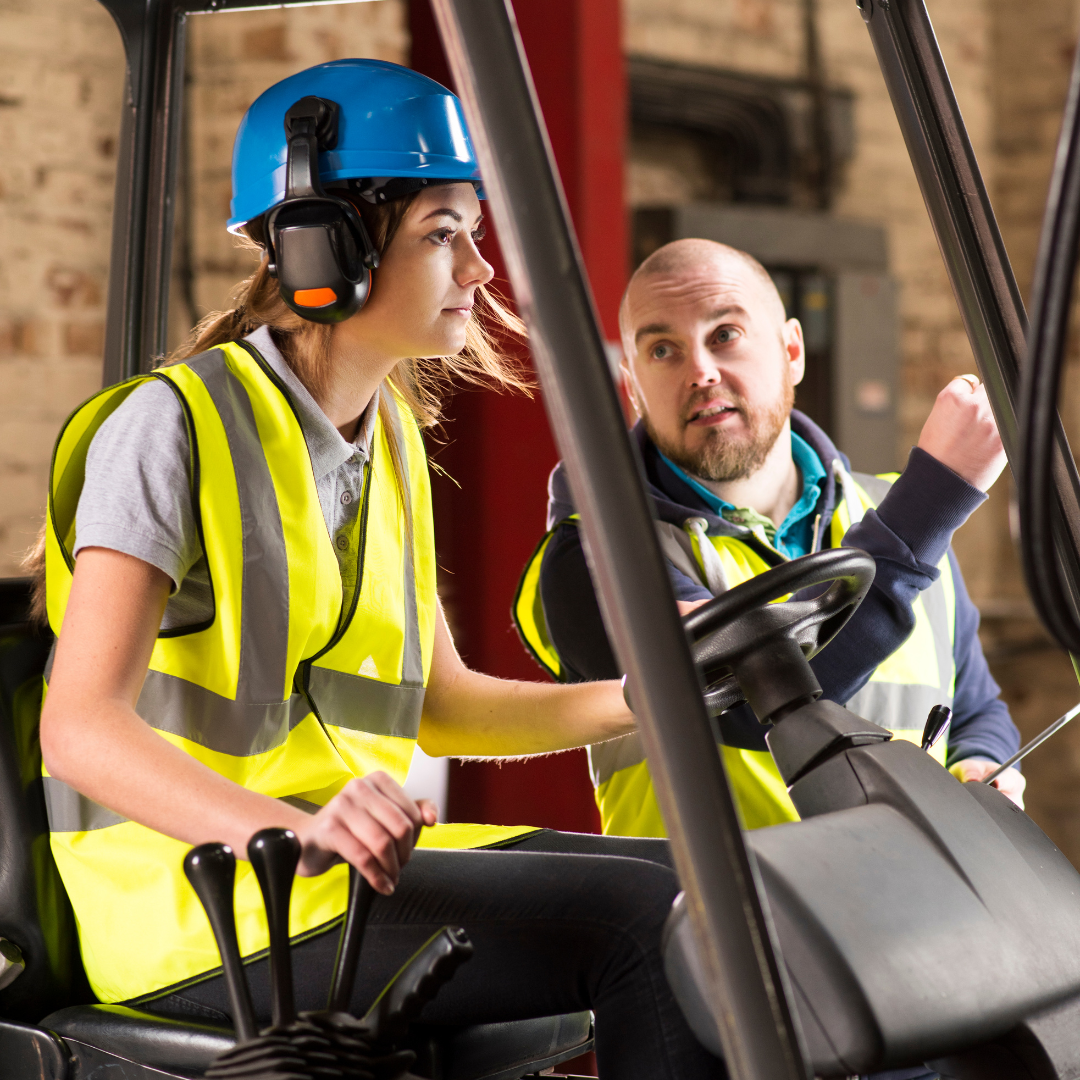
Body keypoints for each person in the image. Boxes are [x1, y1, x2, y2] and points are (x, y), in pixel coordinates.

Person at [34, 60, 722, 1080]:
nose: (480, 271)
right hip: (210, 902)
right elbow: (79, 728)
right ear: (327, 252)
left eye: (474, 235)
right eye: (445, 234)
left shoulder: (388, 438)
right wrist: (297, 827)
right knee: (643, 925)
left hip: (343, 875)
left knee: (711, 881)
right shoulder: (171, 428)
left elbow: (443, 705)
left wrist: (651, 690)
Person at [514, 238, 1025, 841]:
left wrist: (984, 766)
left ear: (791, 351)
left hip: (915, 912)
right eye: (662, 349)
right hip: (719, 926)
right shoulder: (594, 556)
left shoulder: (888, 510)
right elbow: (764, 708)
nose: (700, 371)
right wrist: (935, 499)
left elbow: (975, 707)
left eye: (725, 334)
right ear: (634, 388)